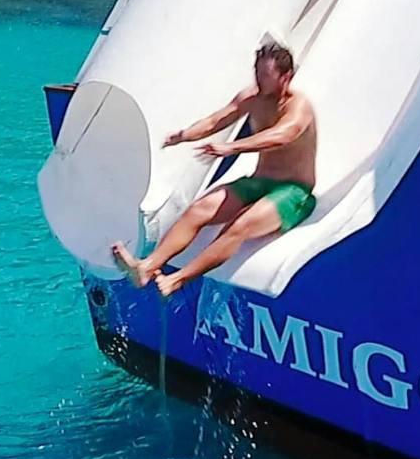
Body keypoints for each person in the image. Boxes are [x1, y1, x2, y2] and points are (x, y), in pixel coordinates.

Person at [111, 41, 318, 298]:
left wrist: (232, 147)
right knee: (198, 210)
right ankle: (146, 267)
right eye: (256, 71)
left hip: (294, 191)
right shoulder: (251, 98)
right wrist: (184, 135)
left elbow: (282, 135)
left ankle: (177, 280)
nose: (258, 79)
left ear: (285, 77)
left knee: (240, 225)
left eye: (265, 74)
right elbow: (214, 121)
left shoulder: (298, 106)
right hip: (260, 181)